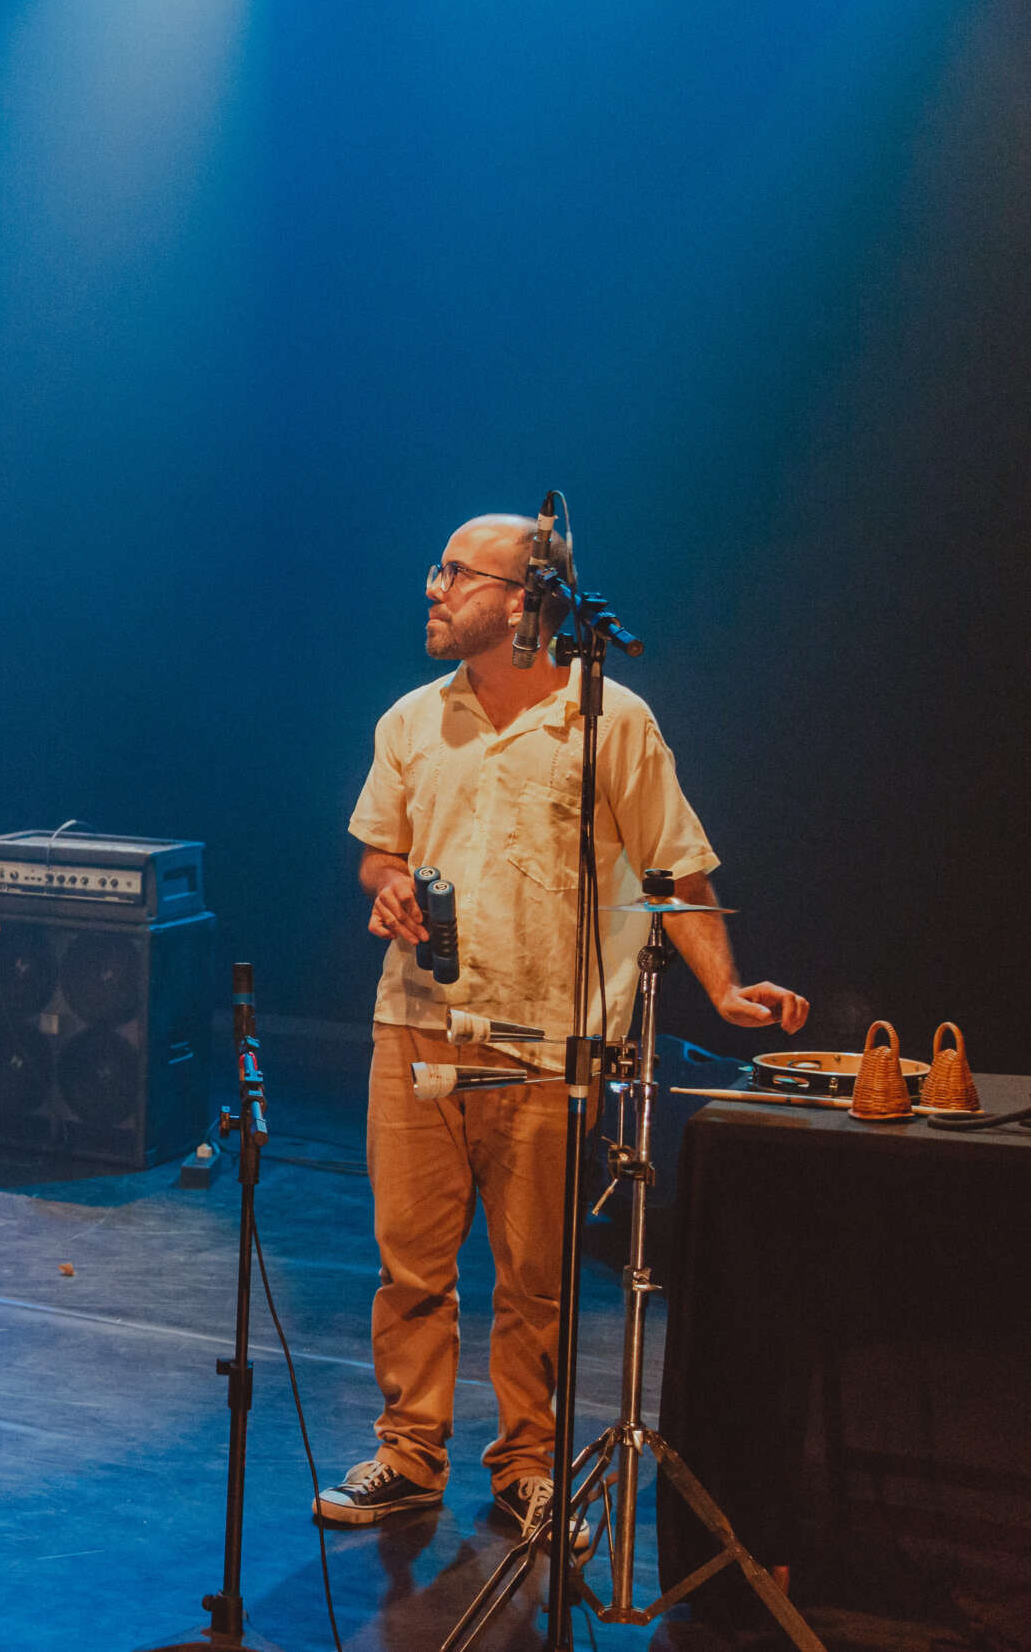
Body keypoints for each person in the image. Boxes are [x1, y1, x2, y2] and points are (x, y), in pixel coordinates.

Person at [321, 512, 810, 1537]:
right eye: (435, 567)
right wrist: (387, 884)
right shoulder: (411, 719)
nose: (432, 586)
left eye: (454, 572)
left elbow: (678, 868)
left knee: (532, 1276)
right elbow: (376, 851)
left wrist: (723, 992)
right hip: (417, 1025)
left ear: (521, 599)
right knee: (410, 1263)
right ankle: (408, 1453)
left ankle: (528, 1466)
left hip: (547, 1042)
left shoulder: (608, 718)